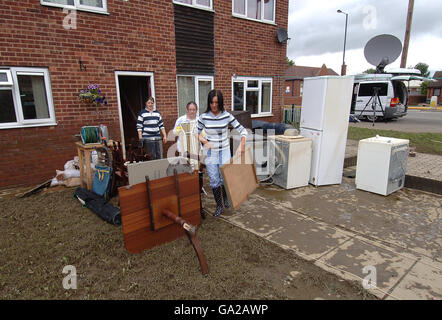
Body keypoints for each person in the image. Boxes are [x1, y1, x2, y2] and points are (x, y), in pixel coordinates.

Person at [197, 89, 247, 217]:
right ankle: (219, 206)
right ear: (209, 103)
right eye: (212, 102)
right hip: (210, 151)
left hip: (224, 149)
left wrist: (241, 146)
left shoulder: (227, 115)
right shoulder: (203, 117)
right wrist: (204, 141)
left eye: (217, 103)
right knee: (214, 179)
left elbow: (243, 131)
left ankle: (225, 199)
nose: (214, 105)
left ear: (221, 103)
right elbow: (195, 133)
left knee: (225, 176)